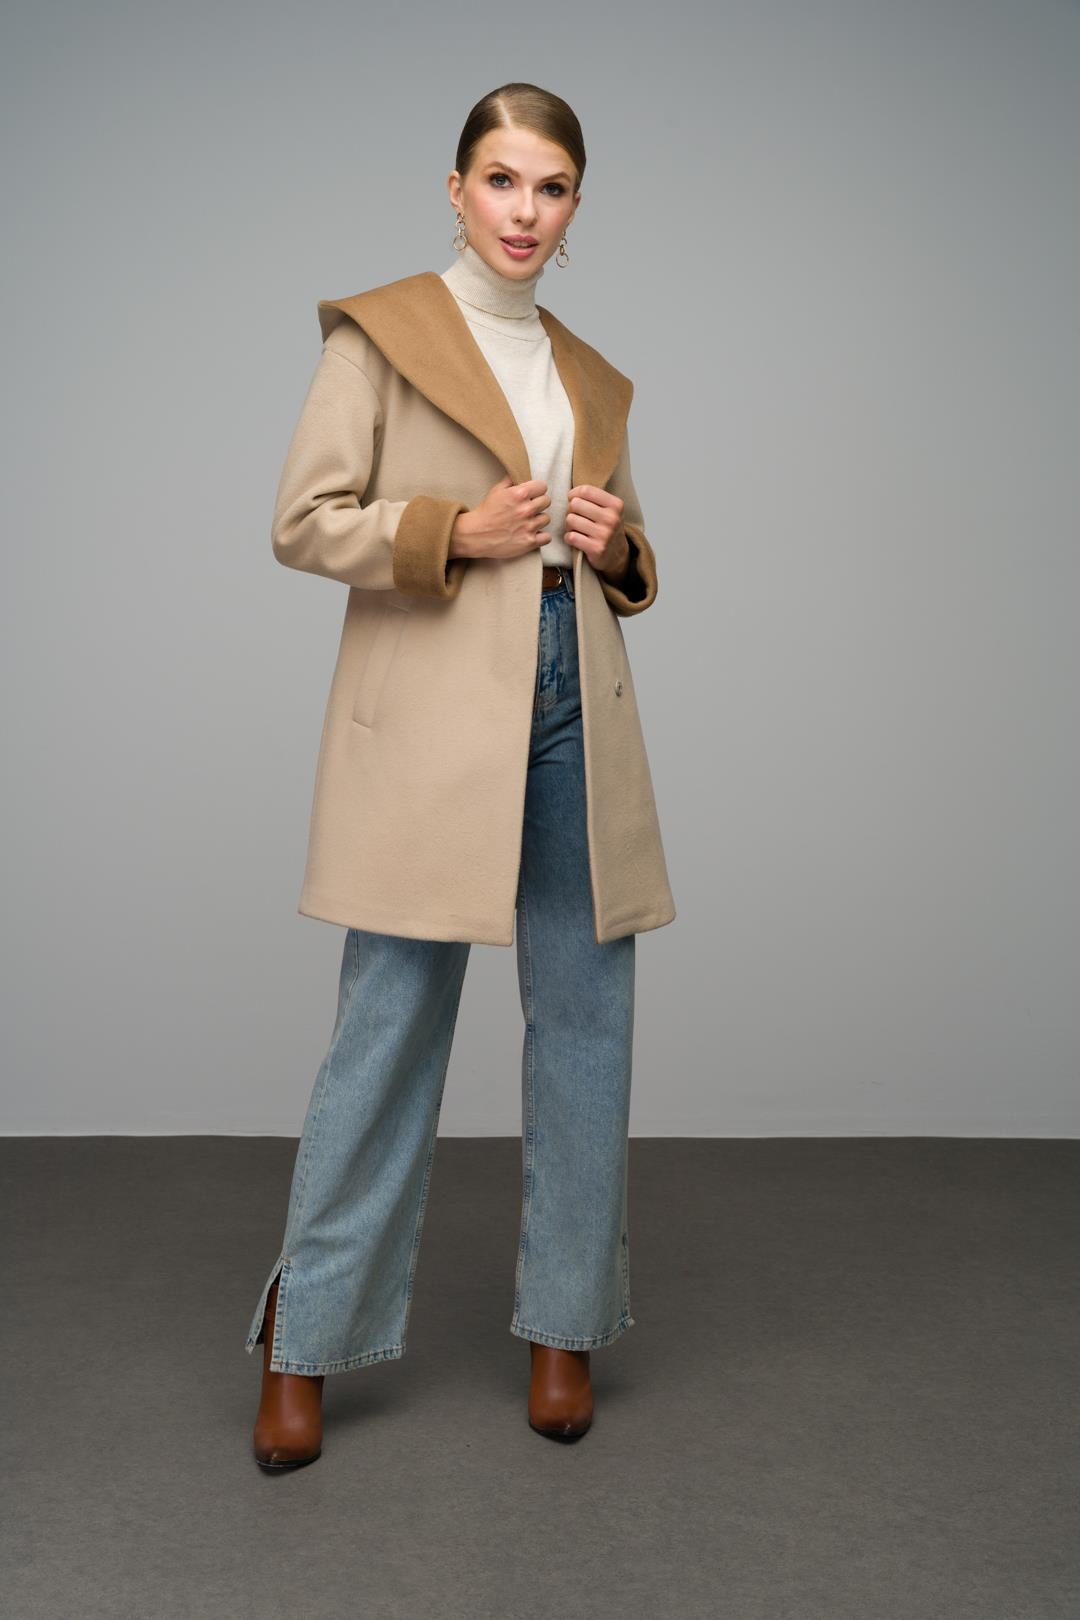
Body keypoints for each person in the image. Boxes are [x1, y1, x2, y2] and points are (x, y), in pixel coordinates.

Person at [246, 81, 676, 1470]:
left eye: (550, 188)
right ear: (456, 190)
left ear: (576, 206)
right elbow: (303, 521)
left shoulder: (588, 373)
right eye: (501, 180)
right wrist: (453, 531)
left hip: (573, 697)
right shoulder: (379, 336)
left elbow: (626, 551)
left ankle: (566, 1327)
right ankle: (305, 1338)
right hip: (437, 705)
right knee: (389, 1022)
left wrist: (613, 547)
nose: (523, 211)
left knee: (588, 1018)